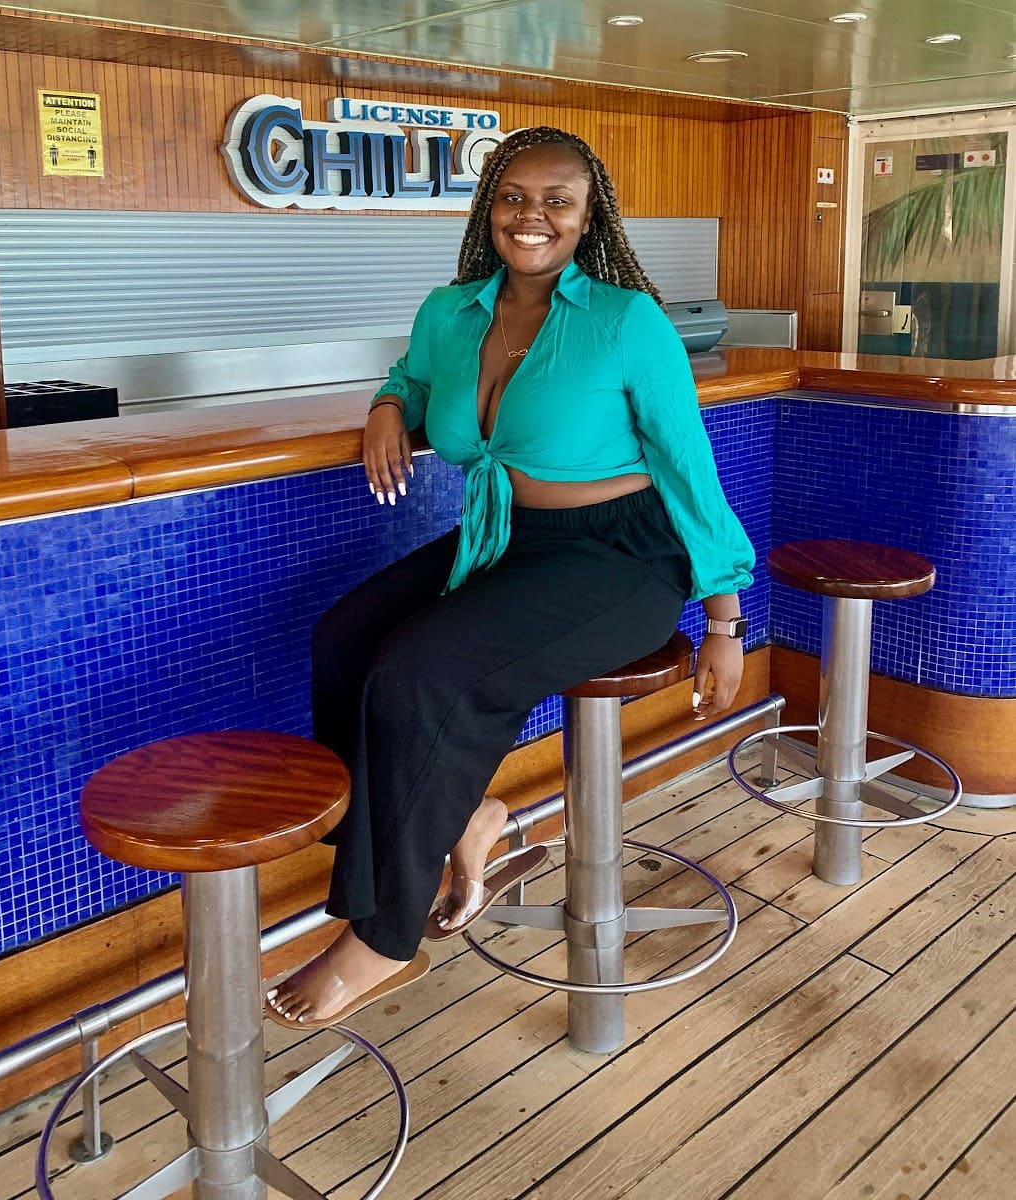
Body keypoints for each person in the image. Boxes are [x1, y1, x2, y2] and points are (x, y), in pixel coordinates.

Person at [266, 126, 754, 1029]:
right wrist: (385, 406)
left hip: (620, 554)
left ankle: (382, 935)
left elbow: (688, 465)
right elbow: (411, 378)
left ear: (587, 214)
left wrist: (724, 619)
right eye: (512, 197)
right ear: (489, 209)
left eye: (555, 199)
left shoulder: (622, 320)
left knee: (419, 670)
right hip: (505, 536)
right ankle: (461, 812)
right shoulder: (449, 313)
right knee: (343, 639)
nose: (532, 216)